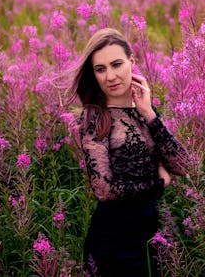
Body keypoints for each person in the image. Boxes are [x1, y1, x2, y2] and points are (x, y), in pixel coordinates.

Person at [69, 28, 190, 276]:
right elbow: (104, 190)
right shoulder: (95, 116)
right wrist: (158, 183)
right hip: (114, 240)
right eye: (100, 69)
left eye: (116, 64)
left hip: (153, 233)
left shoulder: (146, 111)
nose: (110, 76)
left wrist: (149, 114)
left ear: (131, 63)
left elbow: (183, 165)